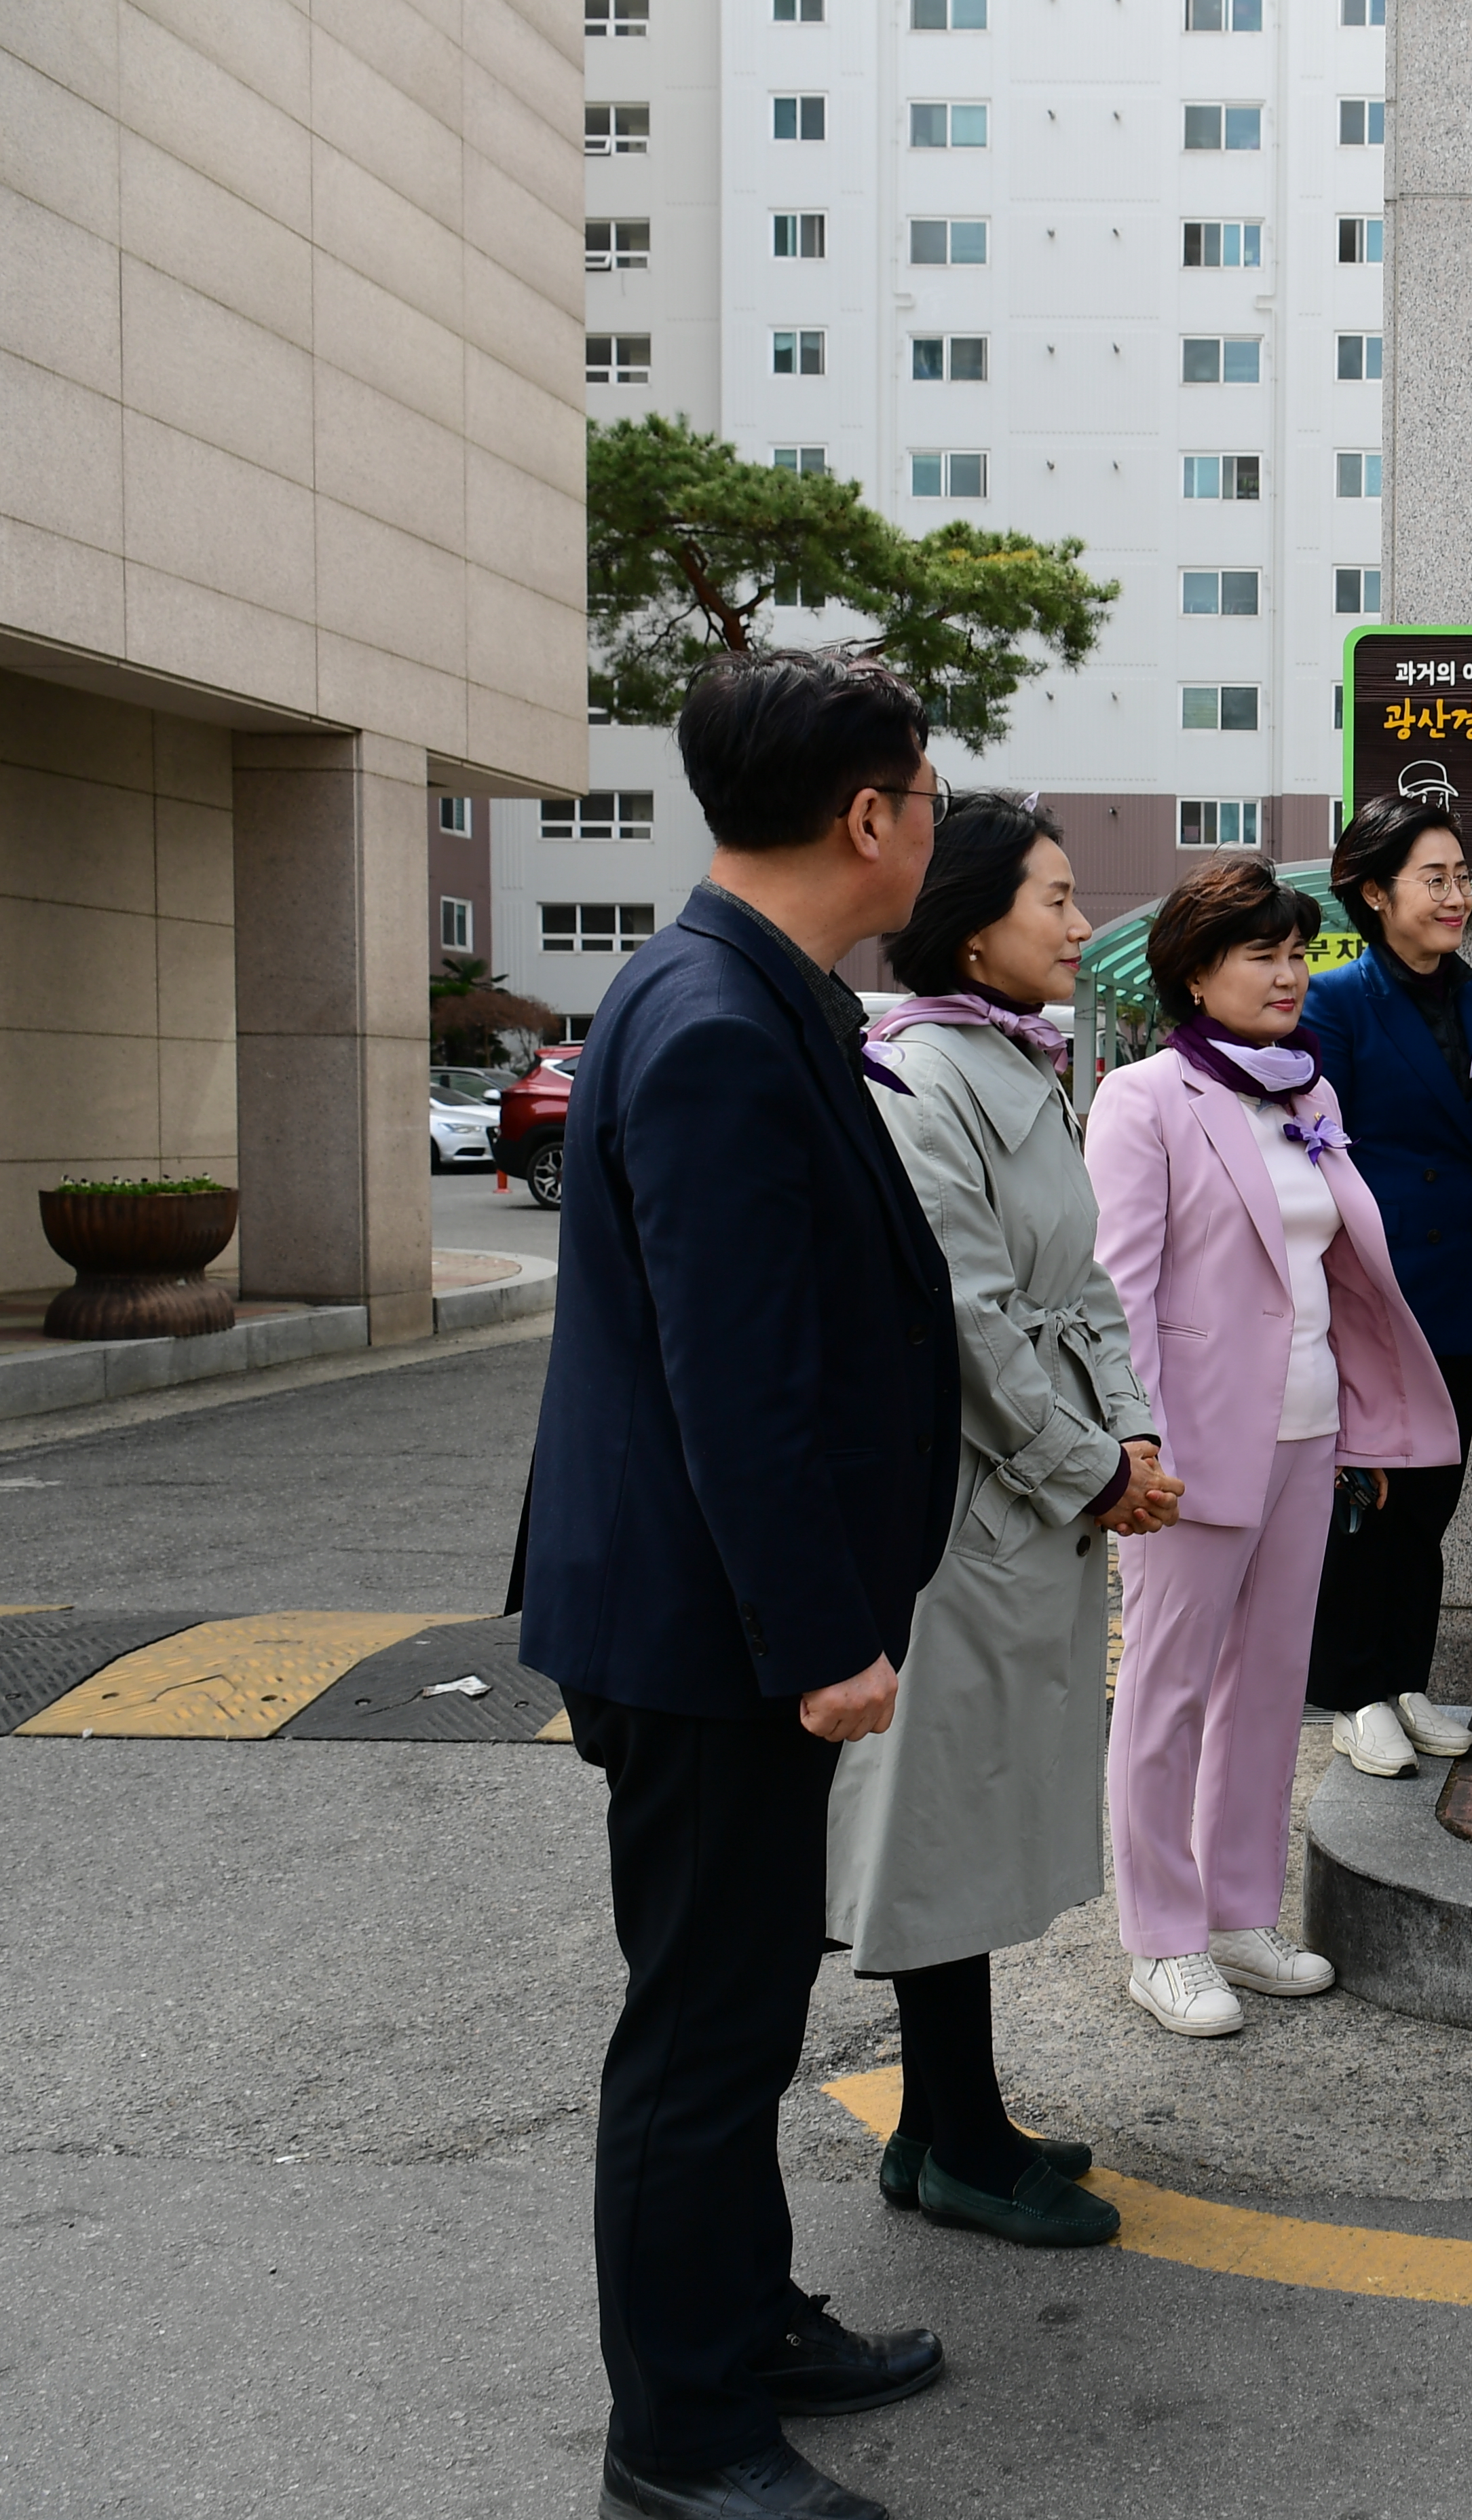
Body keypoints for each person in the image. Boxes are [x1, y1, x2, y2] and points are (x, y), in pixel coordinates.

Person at [516, 649, 960, 2520]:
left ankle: (745, 2319)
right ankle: (679, 2437)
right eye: (925, 791)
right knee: (700, 2038)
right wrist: (826, 1639)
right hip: (720, 1643)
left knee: (746, 2008)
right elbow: (738, 1384)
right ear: (868, 818)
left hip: (730, 1631)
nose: (935, 818)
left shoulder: (744, 992)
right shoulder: (713, 1023)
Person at [829, 794, 1186, 2253]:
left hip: (1026, 1495)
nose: (1078, 921)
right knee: (948, 1818)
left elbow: (1085, 1283)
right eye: (1052, 896)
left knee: (978, 1808)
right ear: (973, 921)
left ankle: (943, 2119)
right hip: (968, 1509)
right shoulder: (920, 1075)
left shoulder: (1017, 1063)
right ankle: (959, 2133)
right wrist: (1087, 1465)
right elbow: (966, 1315)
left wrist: (1134, 1426)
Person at [1086, 856, 1460, 2037]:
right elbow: (1119, 1290)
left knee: (1266, 1695)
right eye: (1266, 952)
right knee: (1165, 1696)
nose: (1294, 972)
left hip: (1311, 1433)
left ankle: (1240, 1914)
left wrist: (1358, 1415)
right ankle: (1160, 1938)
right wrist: (1134, 1441)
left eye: (1301, 952)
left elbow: (1330, 1274)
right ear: (1198, 974)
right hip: (1190, 1449)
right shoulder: (1145, 1098)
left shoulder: (1306, 1093)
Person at [1296, 792, 1472, 1777]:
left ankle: (1404, 1676)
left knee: (1436, 1494)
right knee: (1372, 1499)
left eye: (1463, 877)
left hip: (1471, 1285)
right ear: (1375, 893)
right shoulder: (1335, 1003)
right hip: (1379, 1292)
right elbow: (1321, 1154)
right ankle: (1351, 1693)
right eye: (1434, 879)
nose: (1457, 897)